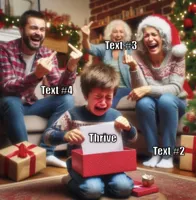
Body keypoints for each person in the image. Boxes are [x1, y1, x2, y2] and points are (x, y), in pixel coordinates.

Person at [0, 10, 82, 168]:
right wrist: (36, 75)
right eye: (33, 28)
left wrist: (71, 69)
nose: (38, 33)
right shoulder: (5, 50)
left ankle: (47, 153)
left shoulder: (46, 53)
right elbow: (7, 87)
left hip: (29, 105)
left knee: (66, 99)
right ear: (21, 30)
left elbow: (59, 88)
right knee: (11, 101)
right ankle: (25, 159)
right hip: (6, 104)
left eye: (42, 29)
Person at [43, 63, 137, 199]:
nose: (103, 103)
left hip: (110, 164)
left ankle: (103, 183)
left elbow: (132, 138)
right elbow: (47, 137)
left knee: (124, 188)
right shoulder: (73, 114)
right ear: (87, 96)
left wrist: (129, 128)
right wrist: (65, 135)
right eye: (98, 97)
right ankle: (69, 180)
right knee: (93, 191)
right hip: (80, 166)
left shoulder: (115, 115)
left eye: (109, 98)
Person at [124, 14, 187, 168]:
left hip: (175, 101)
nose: (150, 39)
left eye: (154, 34)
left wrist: (148, 89)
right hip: (151, 99)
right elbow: (139, 88)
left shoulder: (176, 55)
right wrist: (133, 68)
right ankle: (155, 153)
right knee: (143, 103)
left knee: (165, 99)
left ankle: (167, 156)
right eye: (146, 35)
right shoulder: (137, 55)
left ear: (162, 37)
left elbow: (175, 88)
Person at [81, 19, 133, 108]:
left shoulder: (130, 48)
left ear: (125, 35)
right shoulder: (105, 48)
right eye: (115, 32)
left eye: (121, 32)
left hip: (125, 88)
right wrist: (85, 37)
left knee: (107, 101)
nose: (118, 35)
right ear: (110, 34)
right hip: (107, 87)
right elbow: (89, 48)